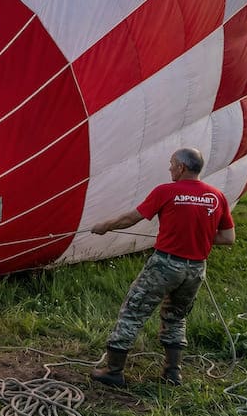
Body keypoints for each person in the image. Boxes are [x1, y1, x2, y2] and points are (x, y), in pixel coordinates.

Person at [89, 148, 236, 387]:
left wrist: (104, 227)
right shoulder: (217, 195)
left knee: (133, 311)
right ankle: (172, 373)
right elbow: (228, 238)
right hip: (195, 269)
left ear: (181, 167)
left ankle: (114, 371)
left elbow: (131, 219)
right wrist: (197, 237)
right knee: (176, 317)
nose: (169, 168)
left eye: (171, 164)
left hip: (165, 265)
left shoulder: (166, 191)